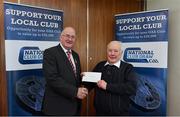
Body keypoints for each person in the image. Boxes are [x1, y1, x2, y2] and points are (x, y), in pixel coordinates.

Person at [42, 27, 88, 115]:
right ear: (61, 37)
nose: (70, 39)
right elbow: (52, 78)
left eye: (73, 37)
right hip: (57, 107)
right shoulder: (50, 53)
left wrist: (80, 76)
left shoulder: (75, 55)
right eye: (67, 36)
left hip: (74, 105)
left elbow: (72, 76)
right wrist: (75, 92)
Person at [90, 41, 137, 115]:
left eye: (116, 51)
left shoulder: (128, 68)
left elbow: (131, 88)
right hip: (100, 112)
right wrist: (85, 77)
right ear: (106, 52)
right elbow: (91, 83)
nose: (112, 53)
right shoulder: (100, 66)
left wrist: (107, 86)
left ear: (121, 53)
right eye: (110, 50)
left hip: (120, 113)